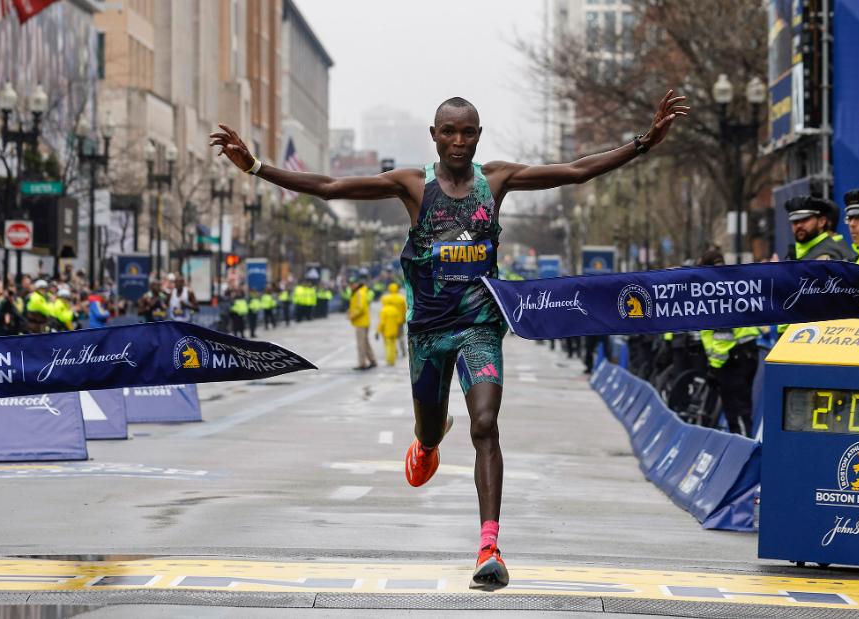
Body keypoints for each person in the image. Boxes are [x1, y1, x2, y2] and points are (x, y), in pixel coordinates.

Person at [211, 89, 687, 587]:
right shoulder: (412, 185)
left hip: (480, 326)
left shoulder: (497, 180)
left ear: (478, 137)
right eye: (449, 132)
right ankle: (427, 442)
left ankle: (489, 546)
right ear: (434, 136)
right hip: (428, 335)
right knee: (433, 429)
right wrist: (256, 167)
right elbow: (331, 186)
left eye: (468, 132)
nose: (458, 141)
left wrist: (643, 143)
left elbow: (574, 170)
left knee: (485, 425)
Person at [697, 249, 760, 437]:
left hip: (731, 360)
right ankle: (745, 442)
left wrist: (714, 365)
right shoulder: (736, 283)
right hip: (749, 352)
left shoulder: (713, 291)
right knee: (744, 408)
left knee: (735, 412)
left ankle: (743, 451)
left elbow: (719, 337)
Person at [783, 196, 856, 261]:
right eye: (795, 222)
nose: (799, 225)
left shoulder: (827, 254)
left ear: (821, 222)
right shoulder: (804, 251)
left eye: (805, 220)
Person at [347, 278, 376, 370]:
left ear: (357, 284)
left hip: (361, 322)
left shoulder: (359, 293)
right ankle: (372, 360)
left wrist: (351, 315)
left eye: (352, 284)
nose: (351, 286)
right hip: (363, 321)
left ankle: (362, 363)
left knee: (361, 344)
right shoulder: (359, 292)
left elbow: (360, 308)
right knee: (365, 342)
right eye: (350, 284)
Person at [377, 291, 405, 366]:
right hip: (395, 330)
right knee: (394, 344)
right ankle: (394, 360)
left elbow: (382, 323)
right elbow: (399, 320)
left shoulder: (383, 310)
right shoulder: (395, 309)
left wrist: (378, 331)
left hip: (386, 331)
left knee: (388, 346)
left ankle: (389, 360)